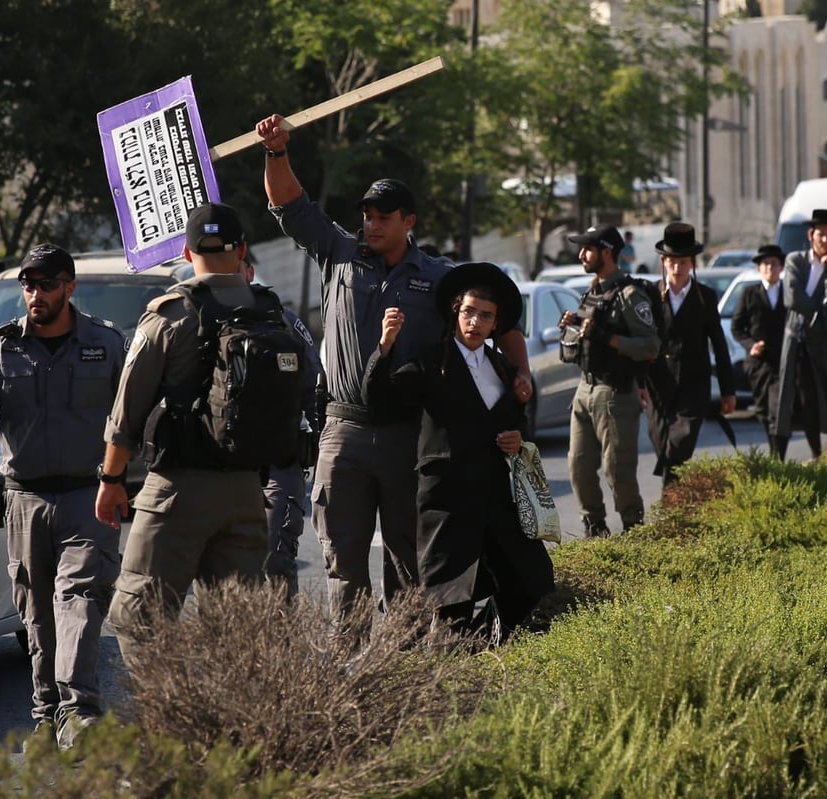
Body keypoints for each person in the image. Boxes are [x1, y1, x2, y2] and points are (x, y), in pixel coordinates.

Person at [255, 113, 534, 629]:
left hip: (412, 435)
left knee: (410, 558)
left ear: (409, 221)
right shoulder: (338, 252)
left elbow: (502, 317)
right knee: (343, 560)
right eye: (367, 214)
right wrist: (276, 151)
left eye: (385, 215)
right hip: (345, 430)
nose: (373, 223)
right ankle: (354, 665)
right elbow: (288, 206)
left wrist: (521, 373)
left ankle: (401, 668)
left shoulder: (438, 278)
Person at [0, 243, 126, 752]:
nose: (35, 294)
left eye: (47, 283)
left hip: (87, 497)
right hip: (25, 499)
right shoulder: (1, 348)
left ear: (69, 287)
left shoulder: (105, 343)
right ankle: (48, 715)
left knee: (81, 599)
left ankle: (80, 711)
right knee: (36, 614)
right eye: (28, 284)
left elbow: (132, 416)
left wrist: (124, 480)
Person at [100, 203, 270, 653]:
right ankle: (233, 722)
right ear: (243, 251)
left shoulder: (171, 312)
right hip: (248, 492)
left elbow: (127, 409)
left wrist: (112, 478)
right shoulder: (271, 312)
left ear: (187, 252)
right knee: (239, 635)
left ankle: (172, 718)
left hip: (177, 491)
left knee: (138, 617)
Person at [365, 262, 555, 642]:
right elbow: (379, 399)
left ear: (495, 323)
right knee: (450, 603)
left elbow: (518, 424)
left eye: (486, 316)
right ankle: (451, 677)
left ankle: (489, 638)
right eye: (469, 312)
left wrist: (518, 438)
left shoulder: (502, 367)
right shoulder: (428, 361)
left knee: (531, 581)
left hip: (497, 500)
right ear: (456, 311)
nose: (475, 323)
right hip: (447, 501)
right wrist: (385, 346)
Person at [557, 225, 660, 537]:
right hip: (584, 389)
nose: (581, 255)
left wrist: (608, 338)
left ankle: (633, 529)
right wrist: (572, 328)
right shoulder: (592, 291)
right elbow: (582, 341)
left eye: (588, 249)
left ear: (607, 252)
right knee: (578, 466)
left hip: (615, 392)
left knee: (618, 469)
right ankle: (595, 526)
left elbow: (650, 346)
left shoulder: (629, 295)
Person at [240, 256, 323, 599]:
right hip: (218, 467)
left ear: (248, 271)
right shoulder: (191, 320)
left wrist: (328, 450)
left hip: (279, 461)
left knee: (276, 558)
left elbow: (315, 387)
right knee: (226, 570)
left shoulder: (282, 321)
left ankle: (278, 649)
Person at [640, 222, 737, 488]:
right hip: (658, 385)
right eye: (672, 261)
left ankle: (669, 504)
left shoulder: (705, 296)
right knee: (663, 445)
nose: (678, 267)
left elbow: (719, 344)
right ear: (663, 261)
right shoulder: (649, 295)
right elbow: (640, 342)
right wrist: (639, 384)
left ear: (692, 263)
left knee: (680, 443)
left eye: (683, 262)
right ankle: (674, 499)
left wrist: (728, 391)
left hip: (694, 385)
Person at [772, 208, 827, 459]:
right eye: (822, 235)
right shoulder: (795, 260)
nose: (826, 240)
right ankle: (778, 458)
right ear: (811, 235)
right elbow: (793, 297)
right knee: (789, 400)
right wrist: (823, 314)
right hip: (797, 339)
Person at [731, 244, 788, 458]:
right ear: (759, 268)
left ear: (781, 267)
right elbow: (737, 326)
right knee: (763, 410)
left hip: (782, 361)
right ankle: (775, 449)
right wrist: (750, 345)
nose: (770, 268)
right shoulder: (749, 293)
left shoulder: (788, 292)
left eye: (774, 264)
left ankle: (778, 455)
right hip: (758, 363)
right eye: (765, 264)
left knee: (778, 408)